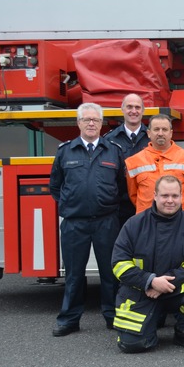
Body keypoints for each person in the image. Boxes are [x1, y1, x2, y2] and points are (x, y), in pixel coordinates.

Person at [111, 175, 184, 352]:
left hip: (176, 290)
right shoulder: (134, 224)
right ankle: (148, 327)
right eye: (165, 196)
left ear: (181, 197)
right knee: (133, 346)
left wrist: (163, 284)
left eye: (175, 196)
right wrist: (150, 281)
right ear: (155, 196)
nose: (170, 201)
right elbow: (119, 264)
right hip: (142, 292)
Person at [49, 102, 125, 336]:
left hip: (106, 221)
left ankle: (113, 317)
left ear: (102, 124)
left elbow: (122, 186)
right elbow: (55, 186)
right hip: (75, 223)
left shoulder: (113, 150)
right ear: (79, 123)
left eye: (96, 120)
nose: (91, 123)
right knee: (73, 275)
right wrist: (71, 206)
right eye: (86, 120)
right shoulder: (65, 151)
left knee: (110, 273)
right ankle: (69, 319)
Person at [125, 114, 184, 214]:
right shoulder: (133, 161)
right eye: (156, 129)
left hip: (181, 220)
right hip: (147, 221)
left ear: (171, 133)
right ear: (149, 133)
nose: (160, 133)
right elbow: (133, 195)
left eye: (164, 129)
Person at [105, 93, 150, 226]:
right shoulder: (110, 139)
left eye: (137, 107)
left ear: (143, 110)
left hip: (145, 205)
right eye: (129, 107)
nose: (133, 111)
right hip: (119, 206)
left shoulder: (152, 138)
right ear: (122, 109)